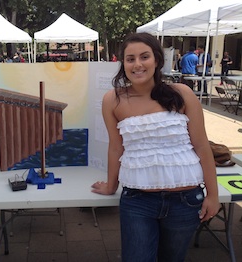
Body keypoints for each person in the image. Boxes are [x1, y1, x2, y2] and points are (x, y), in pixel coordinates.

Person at [91, 32, 219, 262]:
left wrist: (213, 195)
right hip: (138, 201)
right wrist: (111, 186)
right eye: (130, 59)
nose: (137, 64)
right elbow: (115, 148)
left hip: (186, 199)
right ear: (123, 63)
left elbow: (201, 147)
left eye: (144, 57)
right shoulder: (113, 100)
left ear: (157, 60)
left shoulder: (182, 94)